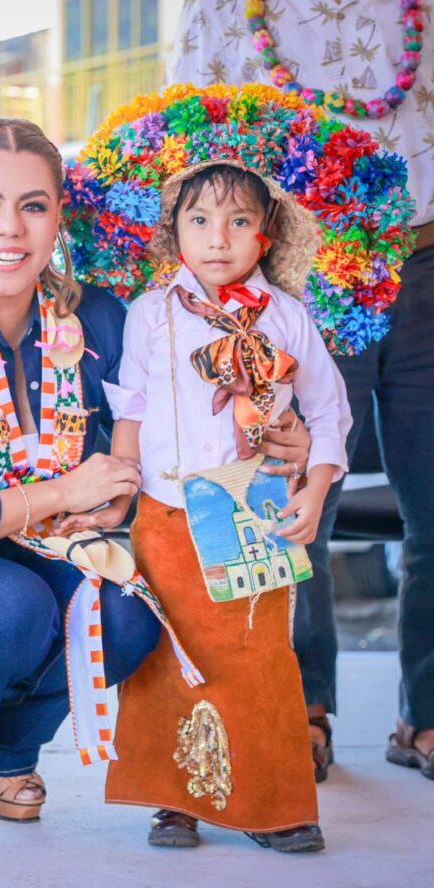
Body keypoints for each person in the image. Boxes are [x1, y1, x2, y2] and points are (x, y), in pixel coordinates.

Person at [0, 118, 310, 831]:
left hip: (56, 548)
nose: (11, 228)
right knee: (13, 604)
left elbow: (181, 426)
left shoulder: (103, 322)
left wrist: (280, 431)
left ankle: (11, 741)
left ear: (59, 217)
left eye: (33, 205)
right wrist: (66, 492)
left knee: (128, 617)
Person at [167, 0, 434, 783]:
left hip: (427, 256)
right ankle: (298, 705)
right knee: (286, 503)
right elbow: (193, 138)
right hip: (296, 273)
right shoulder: (221, 9)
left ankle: (427, 714)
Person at [80, 157, 350, 852]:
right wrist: (122, 499)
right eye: (199, 221)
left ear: (266, 235)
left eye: (238, 222)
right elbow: (131, 412)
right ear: (174, 233)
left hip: (253, 515)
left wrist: (315, 489)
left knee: (260, 659)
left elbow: (329, 414)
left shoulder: (288, 318)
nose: (218, 237)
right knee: (170, 657)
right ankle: (176, 801)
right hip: (166, 515)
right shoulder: (150, 315)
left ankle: (277, 804)